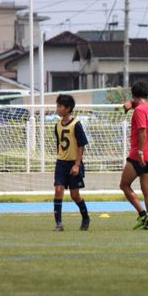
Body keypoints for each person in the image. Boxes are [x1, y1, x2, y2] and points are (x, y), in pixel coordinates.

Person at [119, 82, 148, 230]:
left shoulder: (139, 111)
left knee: (124, 185)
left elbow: (142, 132)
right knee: (147, 189)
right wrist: (132, 105)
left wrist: (140, 152)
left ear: (133, 94)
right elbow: (142, 106)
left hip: (138, 155)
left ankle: (142, 215)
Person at [52, 94, 90, 231]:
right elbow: (59, 145)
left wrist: (77, 164)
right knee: (58, 190)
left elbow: (81, 145)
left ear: (68, 108)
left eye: (60, 106)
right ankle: (59, 224)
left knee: (75, 195)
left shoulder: (76, 125)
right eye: (57, 106)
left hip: (74, 163)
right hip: (61, 163)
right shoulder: (57, 126)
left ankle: (85, 217)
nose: (57, 108)